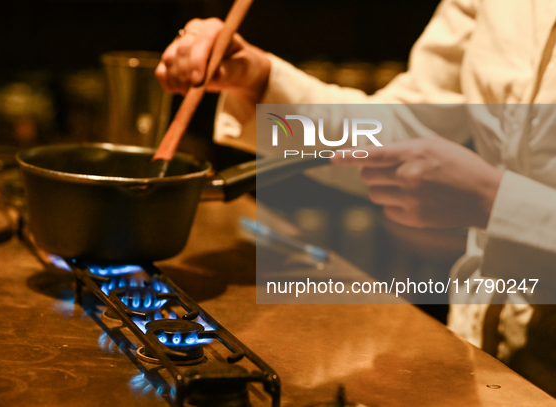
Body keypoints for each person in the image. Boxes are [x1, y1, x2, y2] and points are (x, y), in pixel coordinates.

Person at [157, 0, 556, 395]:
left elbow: (487, 190)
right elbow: (410, 128)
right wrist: (261, 83)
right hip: (485, 356)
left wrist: (496, 202)